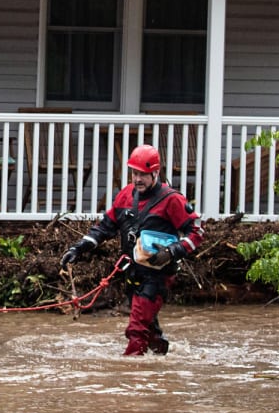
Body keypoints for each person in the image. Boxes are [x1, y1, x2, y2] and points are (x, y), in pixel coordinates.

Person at [60, 144, 202, 356]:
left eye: (143, 175)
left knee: (136, 329)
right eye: (135, 173)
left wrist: (172, 251)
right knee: (148, 327)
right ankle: (162, 357)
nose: (137, 179)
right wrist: (78, 249)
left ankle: (132, 372)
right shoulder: (126, 195)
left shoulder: (172, 200)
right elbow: (105, 227)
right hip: (132, 271)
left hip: (158, 276)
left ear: (156, 173)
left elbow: (196, 234)